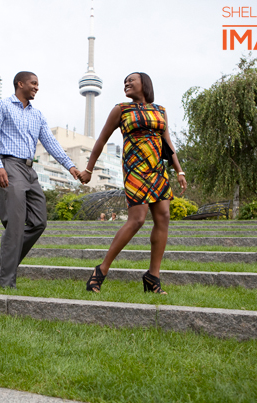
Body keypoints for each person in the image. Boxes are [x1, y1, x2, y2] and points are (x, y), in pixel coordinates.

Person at [79, 72, 186, 294]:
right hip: (135, 168)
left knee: (163, 217)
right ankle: (101, 270)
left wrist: (179, 170)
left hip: (157, 169)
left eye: (131, 80)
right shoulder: (121, 109)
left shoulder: (160, 111)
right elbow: (101, 140)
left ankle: (152, 277)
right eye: (125, 82)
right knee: (137, 219)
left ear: (144, 84)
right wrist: (89, 169)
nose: (127, 84)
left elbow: (168, 143)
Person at [0, 71, 81, 289]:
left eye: (38, 84)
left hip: (29, 170)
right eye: (33, 83)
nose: (37, 87)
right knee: (15, 224)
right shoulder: (2, 106)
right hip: (9, 165)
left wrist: (71, 166)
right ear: (20, 84)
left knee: (39, 222)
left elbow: (50, 143)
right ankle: (6, 282)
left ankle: (3, 260)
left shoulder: (37, 115)